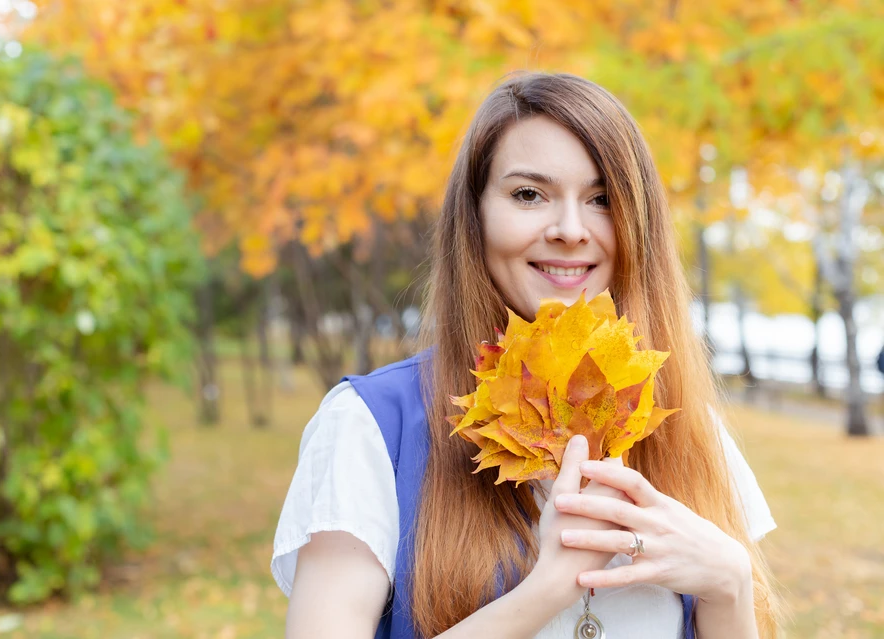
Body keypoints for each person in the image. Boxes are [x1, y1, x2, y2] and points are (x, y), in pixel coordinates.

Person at [271, 72, 782, 638]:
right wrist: (544, 592)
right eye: (528, 195)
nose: (569, 229)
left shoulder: (691, 429)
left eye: (602, 199)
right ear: (476, 216)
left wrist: (730, 586)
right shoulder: (370, 426)